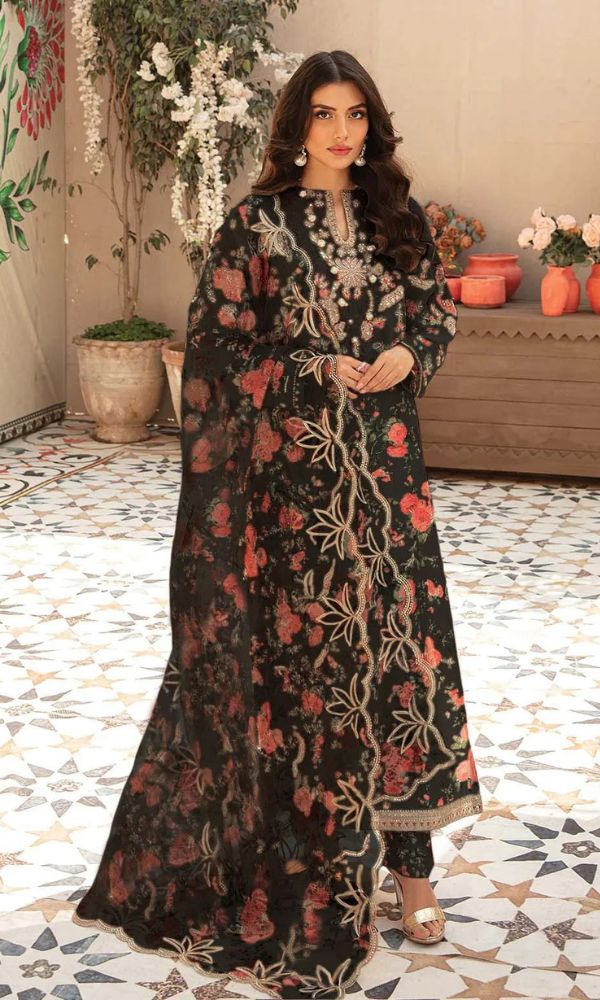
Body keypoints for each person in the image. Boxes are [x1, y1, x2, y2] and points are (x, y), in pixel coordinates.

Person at [73, 49, 483, 999]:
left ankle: (413, 873)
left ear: (372, 123)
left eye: (356, 114)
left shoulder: (398, 217)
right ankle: (316, 864)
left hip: (388, 485)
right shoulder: (255, 225)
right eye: (324, 114)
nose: (342, 132)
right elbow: (216, 351)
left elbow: (435, 314)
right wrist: (310, 369)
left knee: (401, 661)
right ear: (297, 125)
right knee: (315, 680)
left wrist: (404, 355)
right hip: (295, 497)